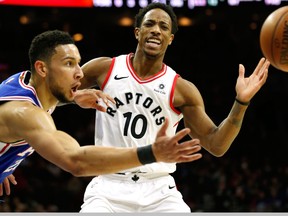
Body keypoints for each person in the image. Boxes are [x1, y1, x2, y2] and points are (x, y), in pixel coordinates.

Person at [78, 2, 270, 213]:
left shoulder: (181, 90)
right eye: (149, 24)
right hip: (108, 185)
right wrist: (76, 96)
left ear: (170, 39)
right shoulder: (104, 69)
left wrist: (241, 102)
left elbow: (217, 145)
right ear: (137, 32)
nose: (155, 30)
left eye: (163, 27)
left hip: (158, 190)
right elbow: (57, 93)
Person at [0, 30, 203, 197]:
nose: (80, 72)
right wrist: (152, 153)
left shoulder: (24, 81)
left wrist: (3, 165)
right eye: (69, 63)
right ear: (42, 69)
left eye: (78, 63)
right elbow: (76, 161)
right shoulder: (26, 114)